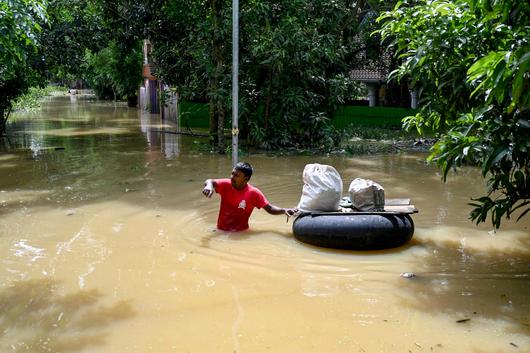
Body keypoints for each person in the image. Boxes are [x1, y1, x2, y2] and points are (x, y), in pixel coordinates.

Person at [203, 162, 297, 231]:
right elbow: (210, 181)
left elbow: (270, 208)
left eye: (237, 175)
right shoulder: (226, 185)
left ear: (246, 179)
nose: (232, 177)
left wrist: (284, 210)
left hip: (240, 233)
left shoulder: (253, 193)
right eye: (232, 173)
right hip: (221, 229)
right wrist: (209, 186)